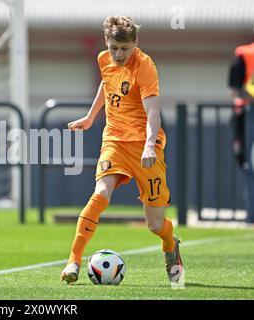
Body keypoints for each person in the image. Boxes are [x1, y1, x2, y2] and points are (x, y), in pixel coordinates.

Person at [60, 16, 183, 284]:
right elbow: (107, 85)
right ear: (107, 42)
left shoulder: (146, 66)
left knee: (154, 225)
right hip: (114, 140)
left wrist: (150, 145)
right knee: (101, 193)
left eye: (124, 49)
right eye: (114, 47)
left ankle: (170, 243)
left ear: (135, 43)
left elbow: (153, 112)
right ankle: (73, 262)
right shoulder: (104, 59)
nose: (118, 54)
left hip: (144, 147)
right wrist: (91, 117)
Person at [228, 41, 254, 222]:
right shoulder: (245, 54)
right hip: (247, 117)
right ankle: (252, 214)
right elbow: (234, 86)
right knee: (247, 164)